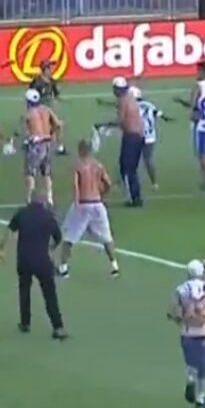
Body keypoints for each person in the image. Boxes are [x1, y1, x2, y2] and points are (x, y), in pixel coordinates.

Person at [0, 199, 68, 340]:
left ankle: (25, 323)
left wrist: (1, 249)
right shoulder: (48, 217)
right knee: (49, 294)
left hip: (24, 259)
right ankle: (58, 327)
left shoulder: (22, 213)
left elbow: (9, 231)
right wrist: (50, 248)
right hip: (42, 260)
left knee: (24, 290)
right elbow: (58, 237)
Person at [55, 138, 121, 278]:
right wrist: (102, 194)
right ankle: (115, 266)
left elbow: (75, 185)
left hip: (83, 203)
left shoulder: (77, 166)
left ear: (81, 150)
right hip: (97, 203)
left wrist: (77, 202)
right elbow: (108, 183)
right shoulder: (98, 165)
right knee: (106, 237)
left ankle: (63, 268)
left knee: (69, 237)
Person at [166, 259, 205, 408]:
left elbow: (173, 312)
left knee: (192, 365)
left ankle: (191, 378)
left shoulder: (180, 289)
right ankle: (200, 400)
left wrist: (180, 321)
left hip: (187, 334)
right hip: (204, 334)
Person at [19, 88, 61, 205]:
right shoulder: (46, 110)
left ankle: (29, 199)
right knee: (46, 173)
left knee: (30, 172)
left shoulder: (29, 113)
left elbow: (22, 130)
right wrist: (50, 133)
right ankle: (49, 198)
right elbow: (58, 124)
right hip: (48, 142)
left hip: (36, 145)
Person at [111, 77, 146, 207]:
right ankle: (135, 195)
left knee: (127, 168)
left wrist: (105, 125)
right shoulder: (131, 98)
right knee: (131, 168)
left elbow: (120, 120)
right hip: (139, 136)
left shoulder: (122, 101)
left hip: (131, 136)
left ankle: (133, 197)